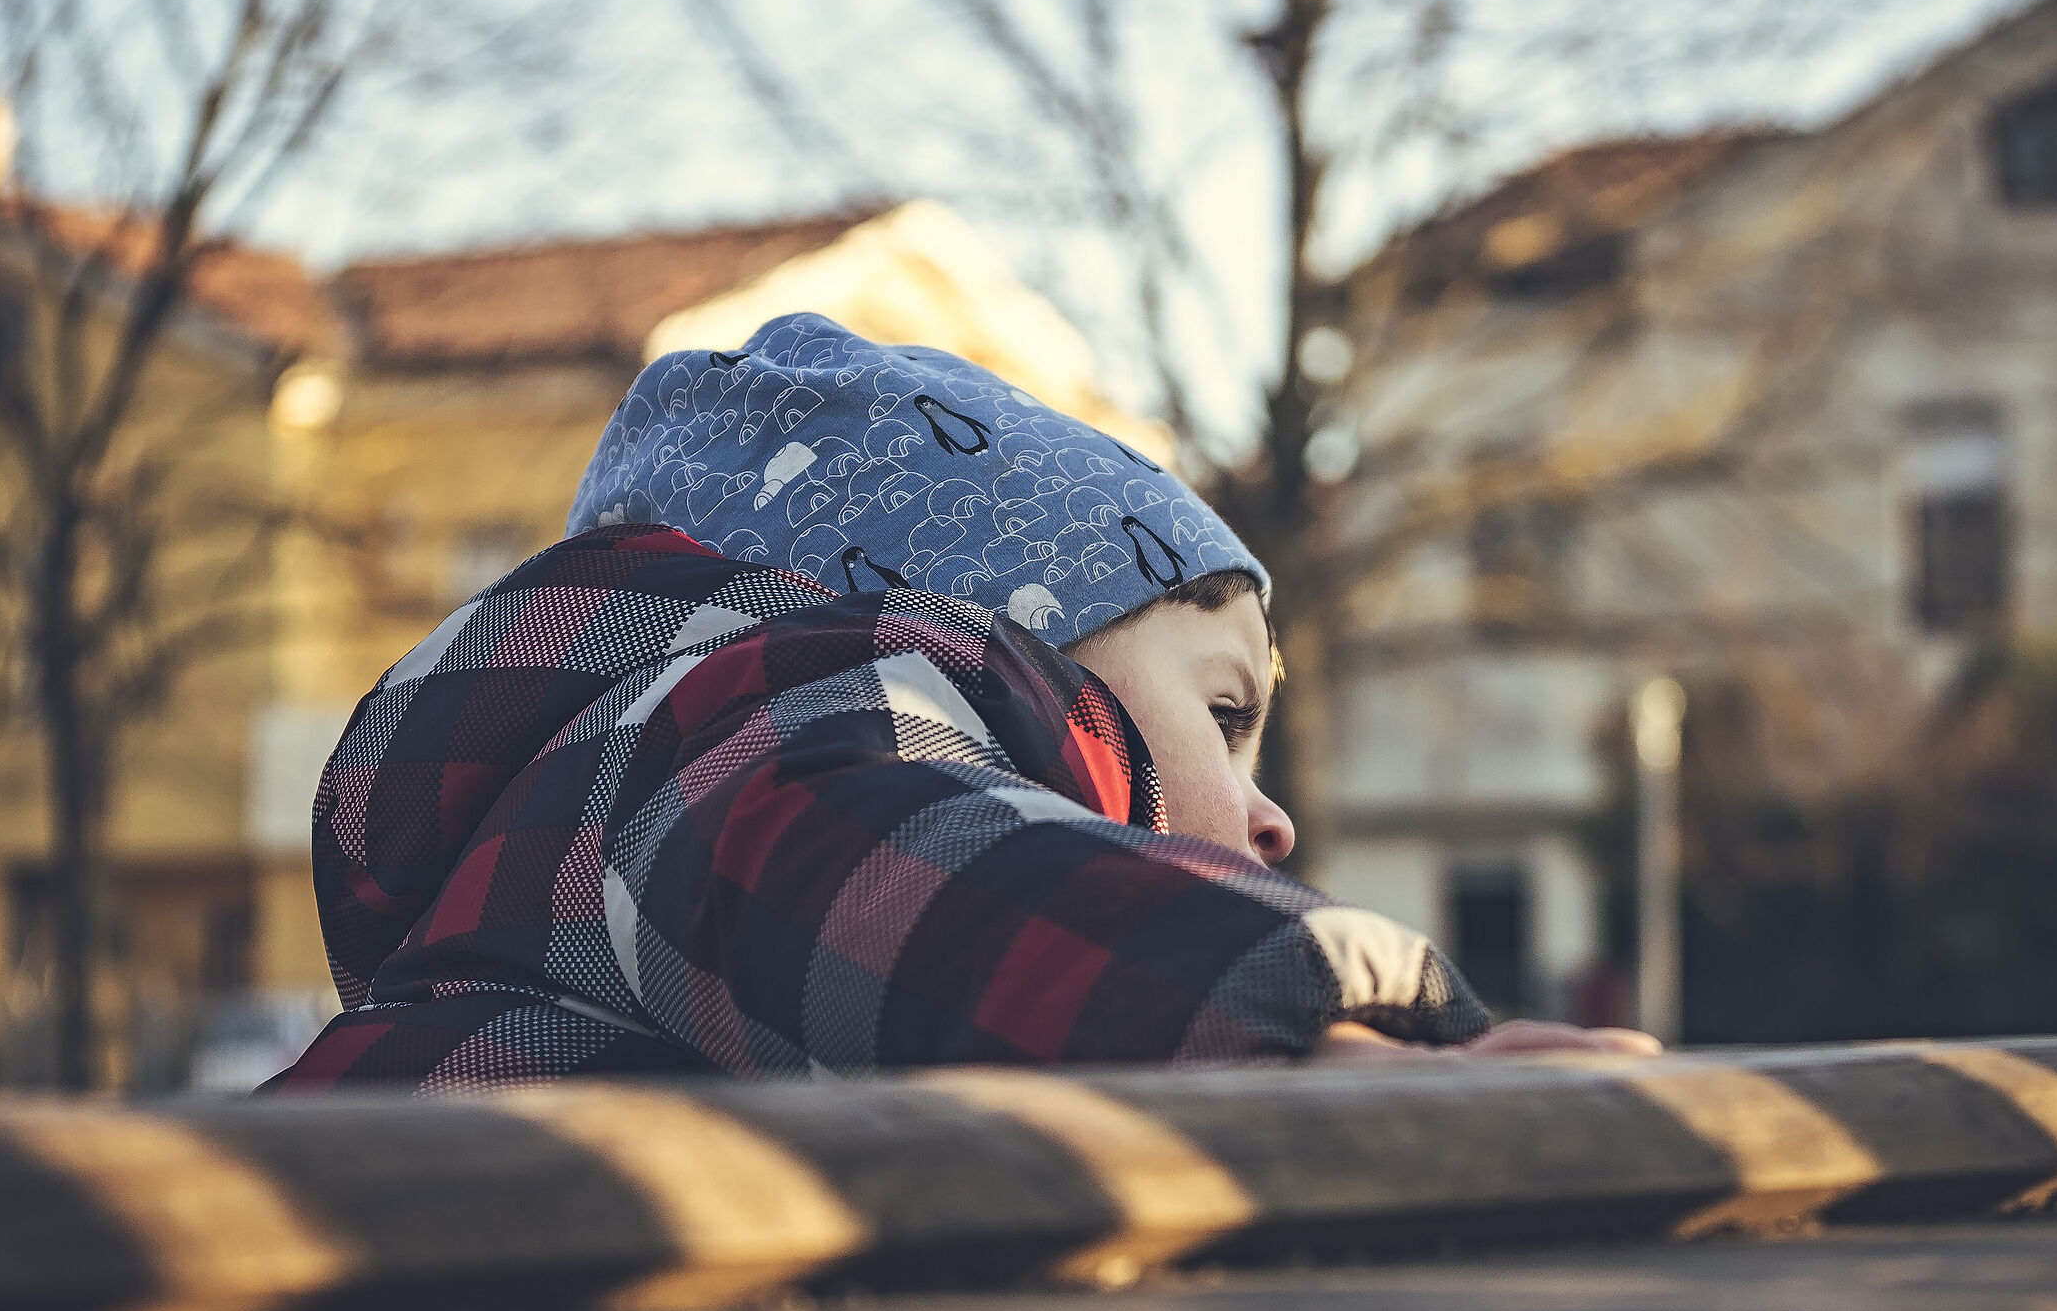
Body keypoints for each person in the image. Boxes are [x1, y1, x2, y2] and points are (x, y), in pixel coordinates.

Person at [264, 314, 1656, 1093]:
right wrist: (1327, 1025)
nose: (1273, 814)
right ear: (1002, 642)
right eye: (1226, 713)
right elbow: (882, 862)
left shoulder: (599, 836)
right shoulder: (721, 748)